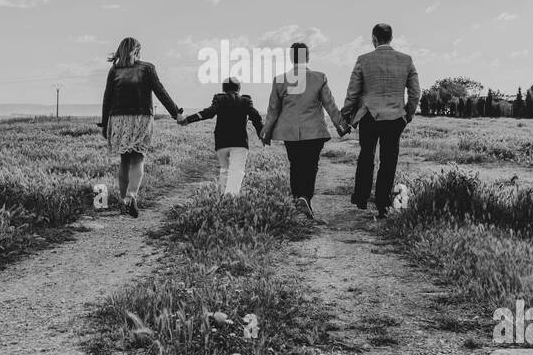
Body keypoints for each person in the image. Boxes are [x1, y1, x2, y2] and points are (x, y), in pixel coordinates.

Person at [261, 42, 348, 220]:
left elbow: (273, 110)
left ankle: (297, 200)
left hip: (290, 132)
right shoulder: (319, 77)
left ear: (292, 58)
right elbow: (330, 105)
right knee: (311, 166)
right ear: (307, 57)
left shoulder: (279, 80)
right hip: (314, 131)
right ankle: (305, 198)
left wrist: (266, 132)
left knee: (295, 165)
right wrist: (341, 125)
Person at [341, 23, 420, 218]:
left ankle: (361, 196)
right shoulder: (406, 60)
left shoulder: (363, 60)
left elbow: (353, 91)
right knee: (389, 159)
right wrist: (407, 114)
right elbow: (415, 92)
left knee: (366, 155)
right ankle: (383, 203)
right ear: (391, 38)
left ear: (374, 39)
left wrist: (346, 114)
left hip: (369, 115)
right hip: (395, 117)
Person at [99, 36, 182, 217]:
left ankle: (123, 202)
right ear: (137, 51)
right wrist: (176, 113)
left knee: (124, 160)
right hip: (141, 117)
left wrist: (105, 124)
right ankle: (131, 196)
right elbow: (161, 92)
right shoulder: (147, 68)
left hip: (119, 118)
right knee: (138, 158)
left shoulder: (115, 71)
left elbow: (107, 99)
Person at [180, 76, 264, 197]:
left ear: (223, 89)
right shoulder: (246, 101)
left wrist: (188, 119)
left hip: (221, 142)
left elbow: (208, 113)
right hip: (240, 142)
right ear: (239, 89)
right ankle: (230, 197)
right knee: (237, 170)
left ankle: (224, 196)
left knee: (225, 169)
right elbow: (256, 117)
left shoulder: (219, 99)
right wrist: (262, 134)